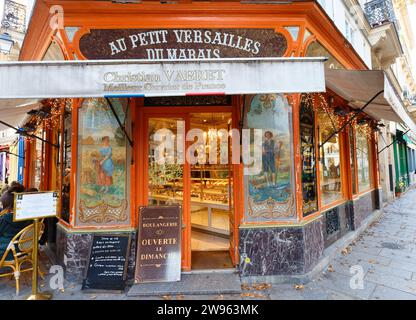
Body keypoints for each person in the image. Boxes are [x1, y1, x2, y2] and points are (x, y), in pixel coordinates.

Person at [0, 182, 30, 260]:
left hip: (6, 253)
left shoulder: (4, 219)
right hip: (23, 250)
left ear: (8, 206)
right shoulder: (28, 217)